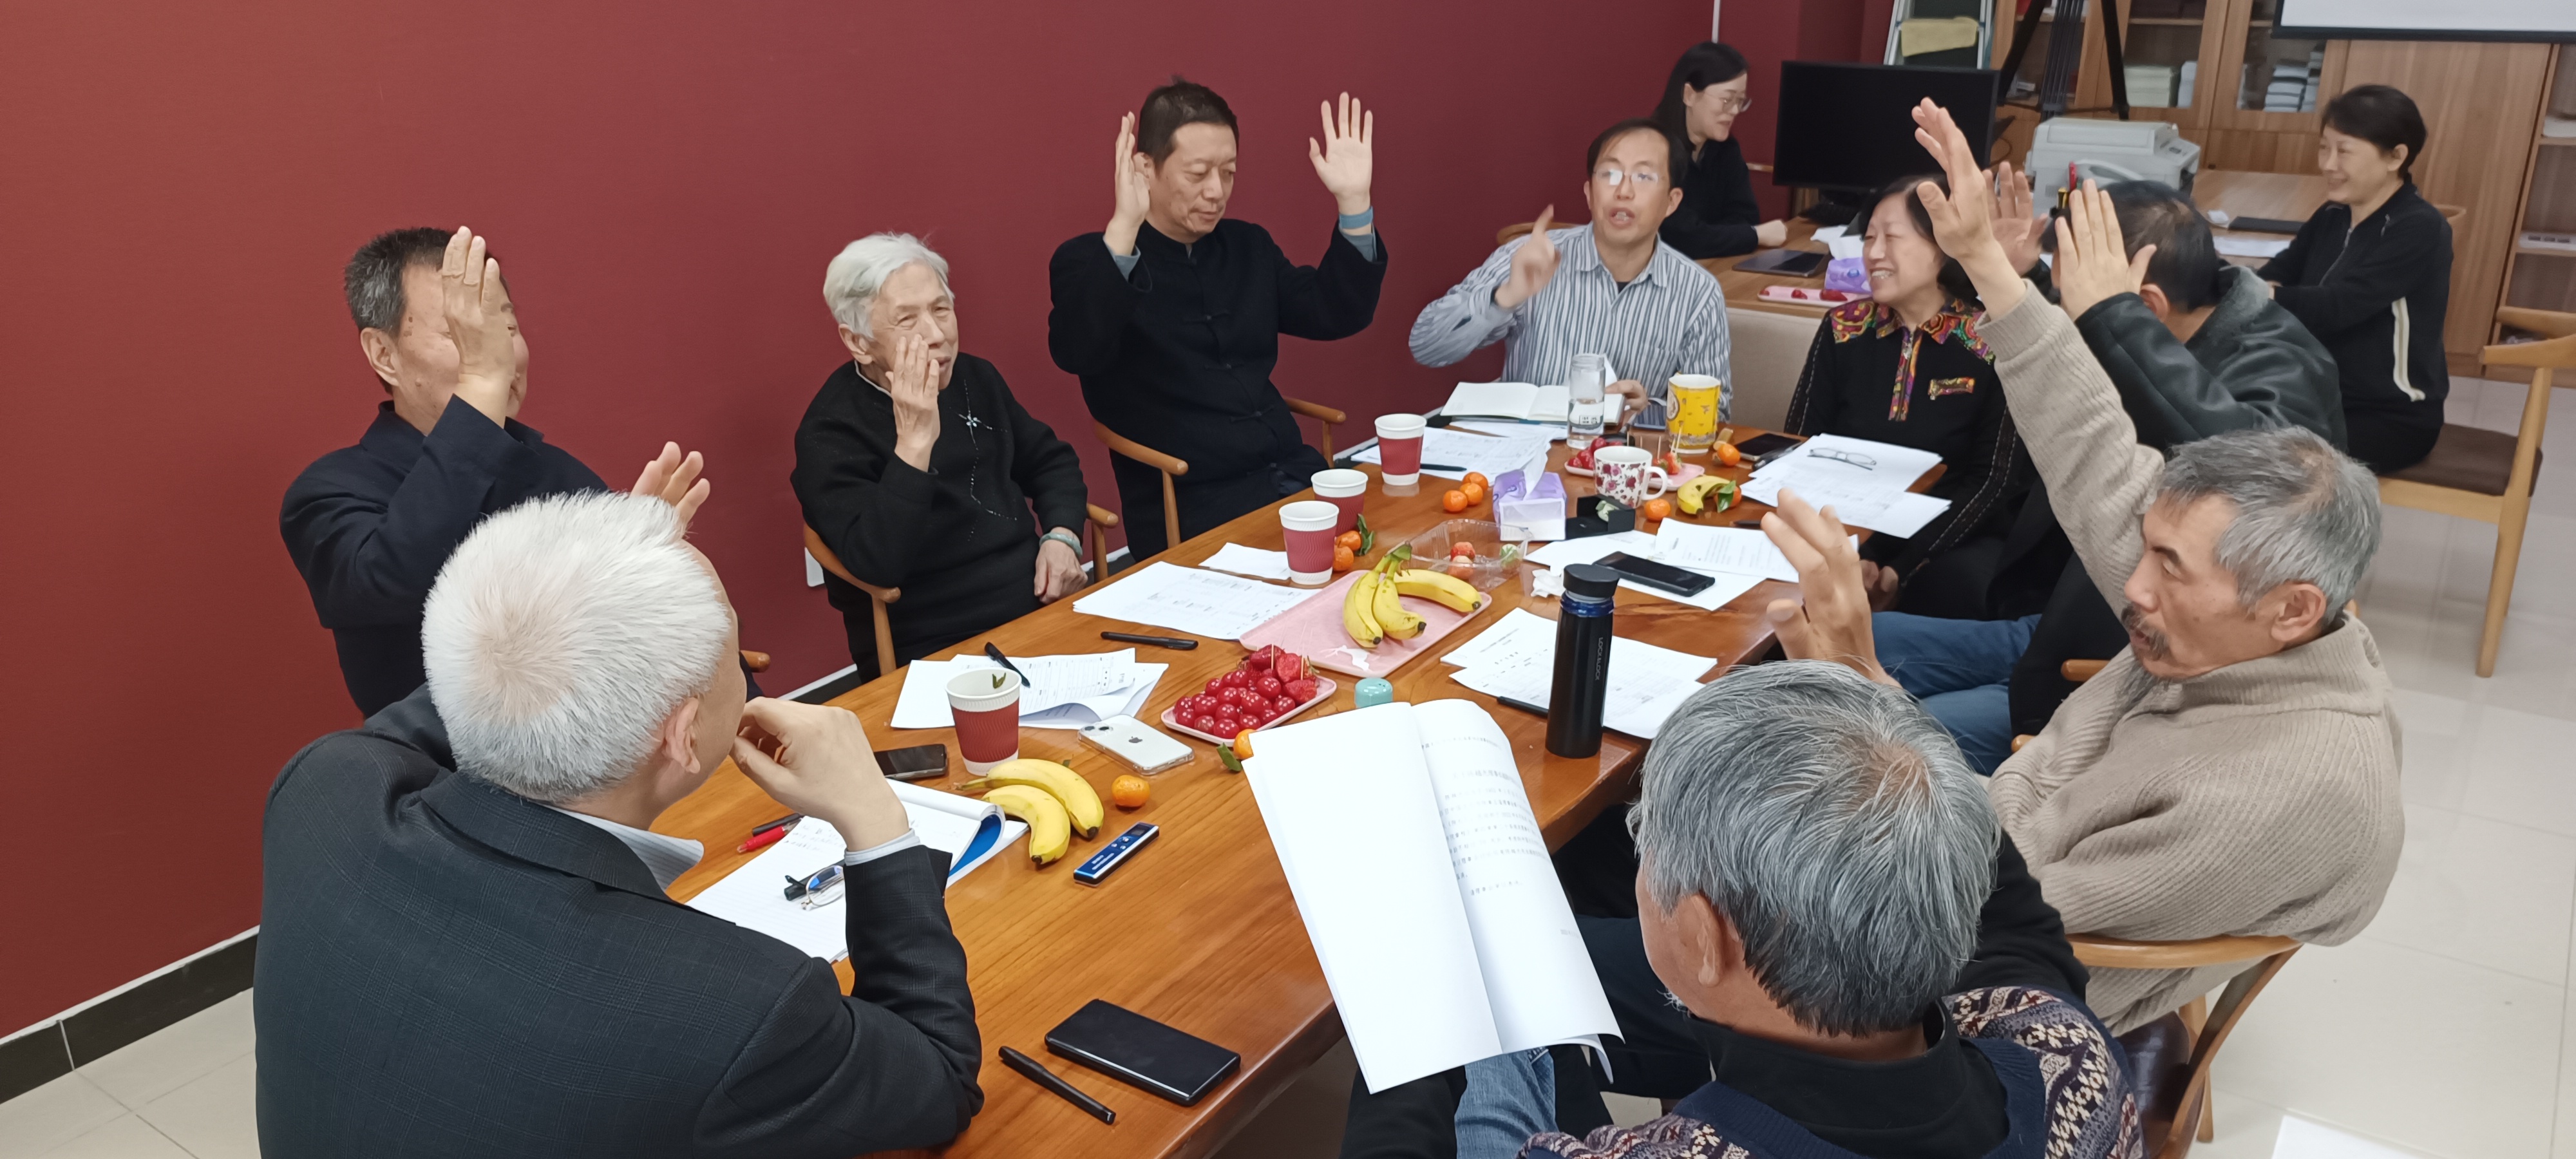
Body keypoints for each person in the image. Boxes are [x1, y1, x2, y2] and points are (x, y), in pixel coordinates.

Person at [1757, 100, 2403, 1035]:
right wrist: (1986, 261)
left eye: (2166, 565)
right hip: (1965, 850)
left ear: (2293, 608)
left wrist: (1863, 685)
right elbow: (2093, 447)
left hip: (1944, 1007)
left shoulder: (2281, 793)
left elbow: (1968, 922)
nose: (2131, 585)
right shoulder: (2242, 620)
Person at [255, 491, 981, 1158]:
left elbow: (491, 674)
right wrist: (874, 819)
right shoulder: (739, 1011)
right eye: (735, 652)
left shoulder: (323, 791)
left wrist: (572, 583)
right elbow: (938, 1078)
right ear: (684, 736)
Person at [1338, 663, 2139, 1159]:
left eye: (1648, 850)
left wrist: (1409, 956)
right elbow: (2013, 921)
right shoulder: (2069, 1056)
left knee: (1488, 1004)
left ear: (1703, 935)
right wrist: (1877, 733)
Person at [1873, 178, 2347, 769]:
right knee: (1852, 640)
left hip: (2133, 667)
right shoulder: (2187, 319)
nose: (2063, 306)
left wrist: (2113, 318)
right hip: (2067, 619)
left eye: (2072, 293)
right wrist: (2025, 276)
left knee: (1896, 741)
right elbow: (2083, 358)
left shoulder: (2286, 369)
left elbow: (2240, 470)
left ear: (2144, 307)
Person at [281, 227, 710, 717]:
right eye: (465, 334)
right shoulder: (329, 493)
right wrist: (480, 383)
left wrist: (643, 573)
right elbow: (397, 585)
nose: (503, 356)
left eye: (506, 330)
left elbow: (654, 648)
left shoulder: (556, 472)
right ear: (385, 355)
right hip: (444, 760)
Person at [1050, 80, 1385, 560]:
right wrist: (1124, 227)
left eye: (1228, 173)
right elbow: (1079, 350)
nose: (1216, 191)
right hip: (1193, 504)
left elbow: (1335, 311)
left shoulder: (1248, 245)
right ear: (1145, 168)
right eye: (1198, 173)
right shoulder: (1091, 259)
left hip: (1294, 477)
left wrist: (1354, 203)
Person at [795, 234, 1090, 678]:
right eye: (907, 320)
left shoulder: (977, 378)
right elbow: (878, 564)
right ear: (858, 342)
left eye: (941, 309)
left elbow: (1051, 462)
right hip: (930, 645)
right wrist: (914, 444)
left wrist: (1062, 537)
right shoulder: (831, 431)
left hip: (1037, 601)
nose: (937, 335)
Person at [1783, 173, 2035, 620]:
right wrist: (1847, 552)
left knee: (1955, 585)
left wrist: (1903, 570)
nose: (1874, 253)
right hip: (1847, 530)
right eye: (1869, 238)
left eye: (1893, 238)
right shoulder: (1844, 329)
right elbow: (1801, 445)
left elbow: (1992, 482)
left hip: (1953, 536)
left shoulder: (1992, 340)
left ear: (1942, 246)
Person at [1412, 118, 1731, 424]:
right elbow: (1425, 346)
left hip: (1622, 457)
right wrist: (1505, 297)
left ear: (1672, 202)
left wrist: (1648, 412)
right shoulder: (1530, 256)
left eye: (1644, 177)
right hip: (1523, 451)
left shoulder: (1697, 292)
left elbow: (1716, 412)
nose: (1624, 191)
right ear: (1590, 193)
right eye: (1610, 173)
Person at [2258, 84, 2450, 473]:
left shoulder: (2419, 228)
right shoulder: (2333, 214)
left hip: (2389, 417)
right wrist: (2255, 288)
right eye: (2323, 148)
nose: (2328, 164)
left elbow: (2338, 306)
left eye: (2344, 151)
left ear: (2396, 157)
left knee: (2244, 450)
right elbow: (2282, 271)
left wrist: (2253, 293)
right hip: (2319, 395)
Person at [1651, 42, 1788, 259]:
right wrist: (1755, 236)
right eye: (1726, 100)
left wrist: (1720, 236)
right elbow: (1681, 237)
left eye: (1740, 101)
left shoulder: (1725, 150)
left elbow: (1746, 217)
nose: (1734, 111)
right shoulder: (1650, 151)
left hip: (1712, 267)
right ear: (1689, 95)